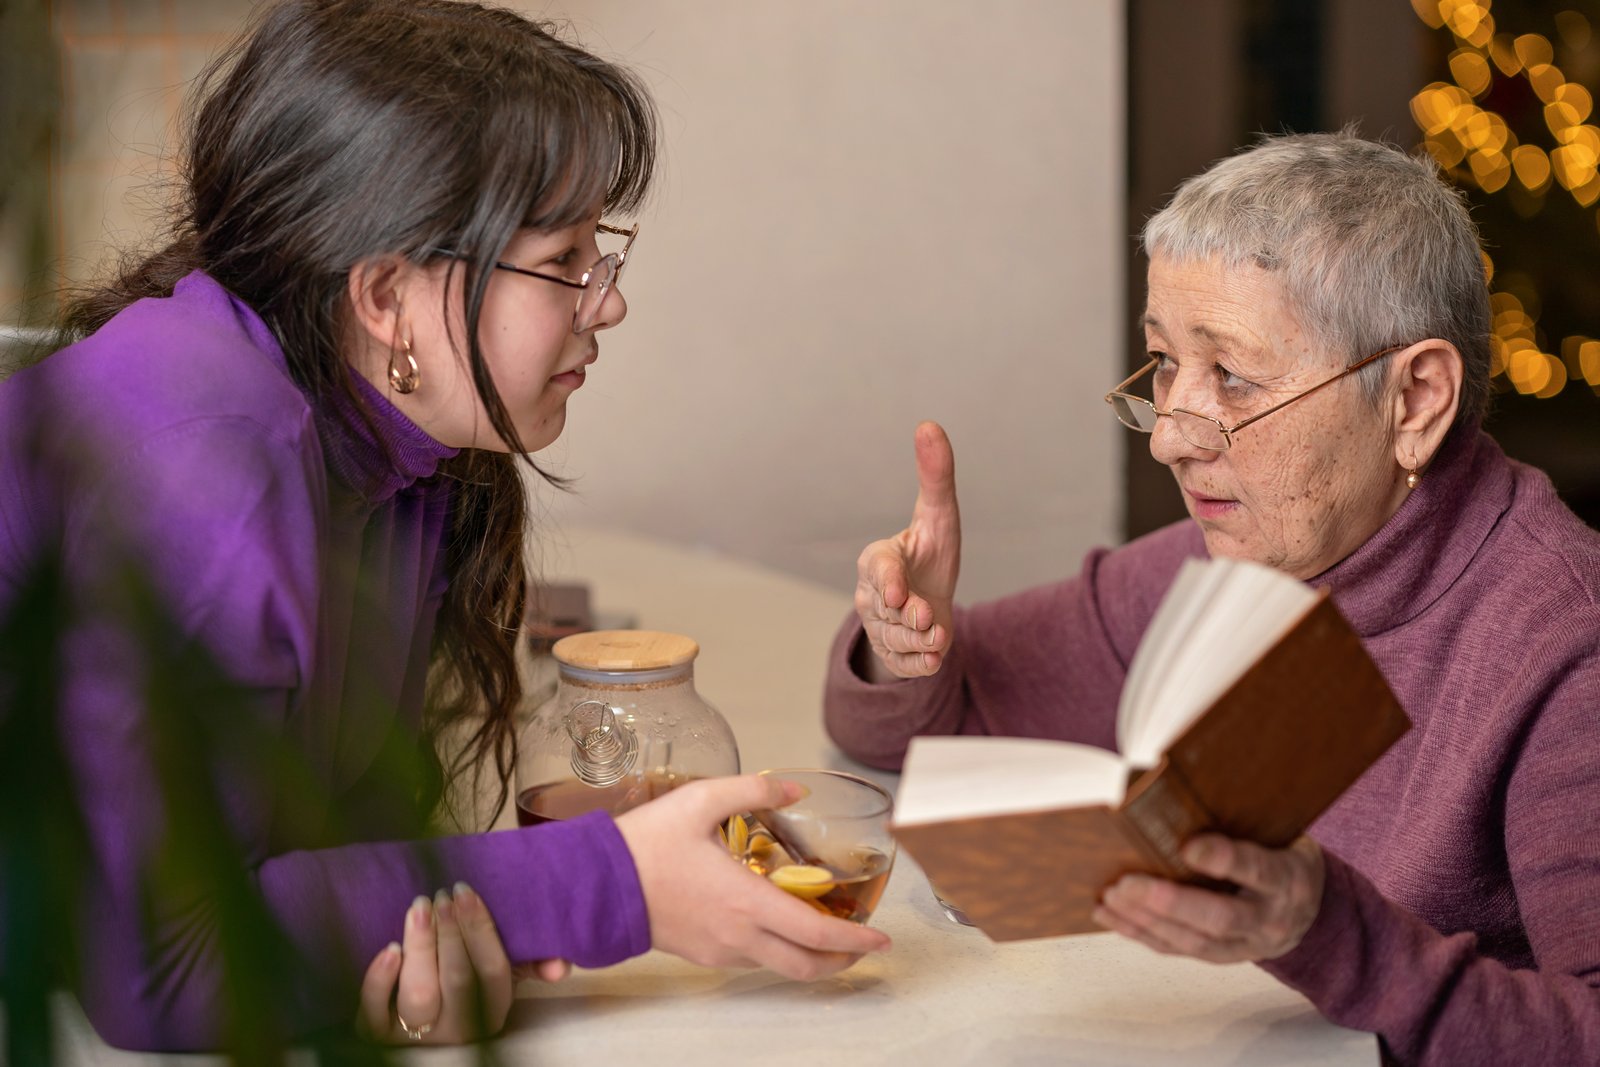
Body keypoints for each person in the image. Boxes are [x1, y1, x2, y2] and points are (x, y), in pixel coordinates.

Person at [0, 0, 886, 1050]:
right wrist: (616, 886)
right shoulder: (207, 460)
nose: (607, 304)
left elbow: (327, 846)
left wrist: (417, 957)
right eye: (564, 259)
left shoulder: (406, 454)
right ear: (386, 297)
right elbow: (166, 959)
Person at [824, 131, 1600, 1065]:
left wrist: (1327, 931)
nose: (1171, 439)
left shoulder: (1567, 644)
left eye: (1230, 375)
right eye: (1164, 366)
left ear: (1416, 400)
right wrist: (905, 642)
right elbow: (886, 734)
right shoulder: (1226, 563)